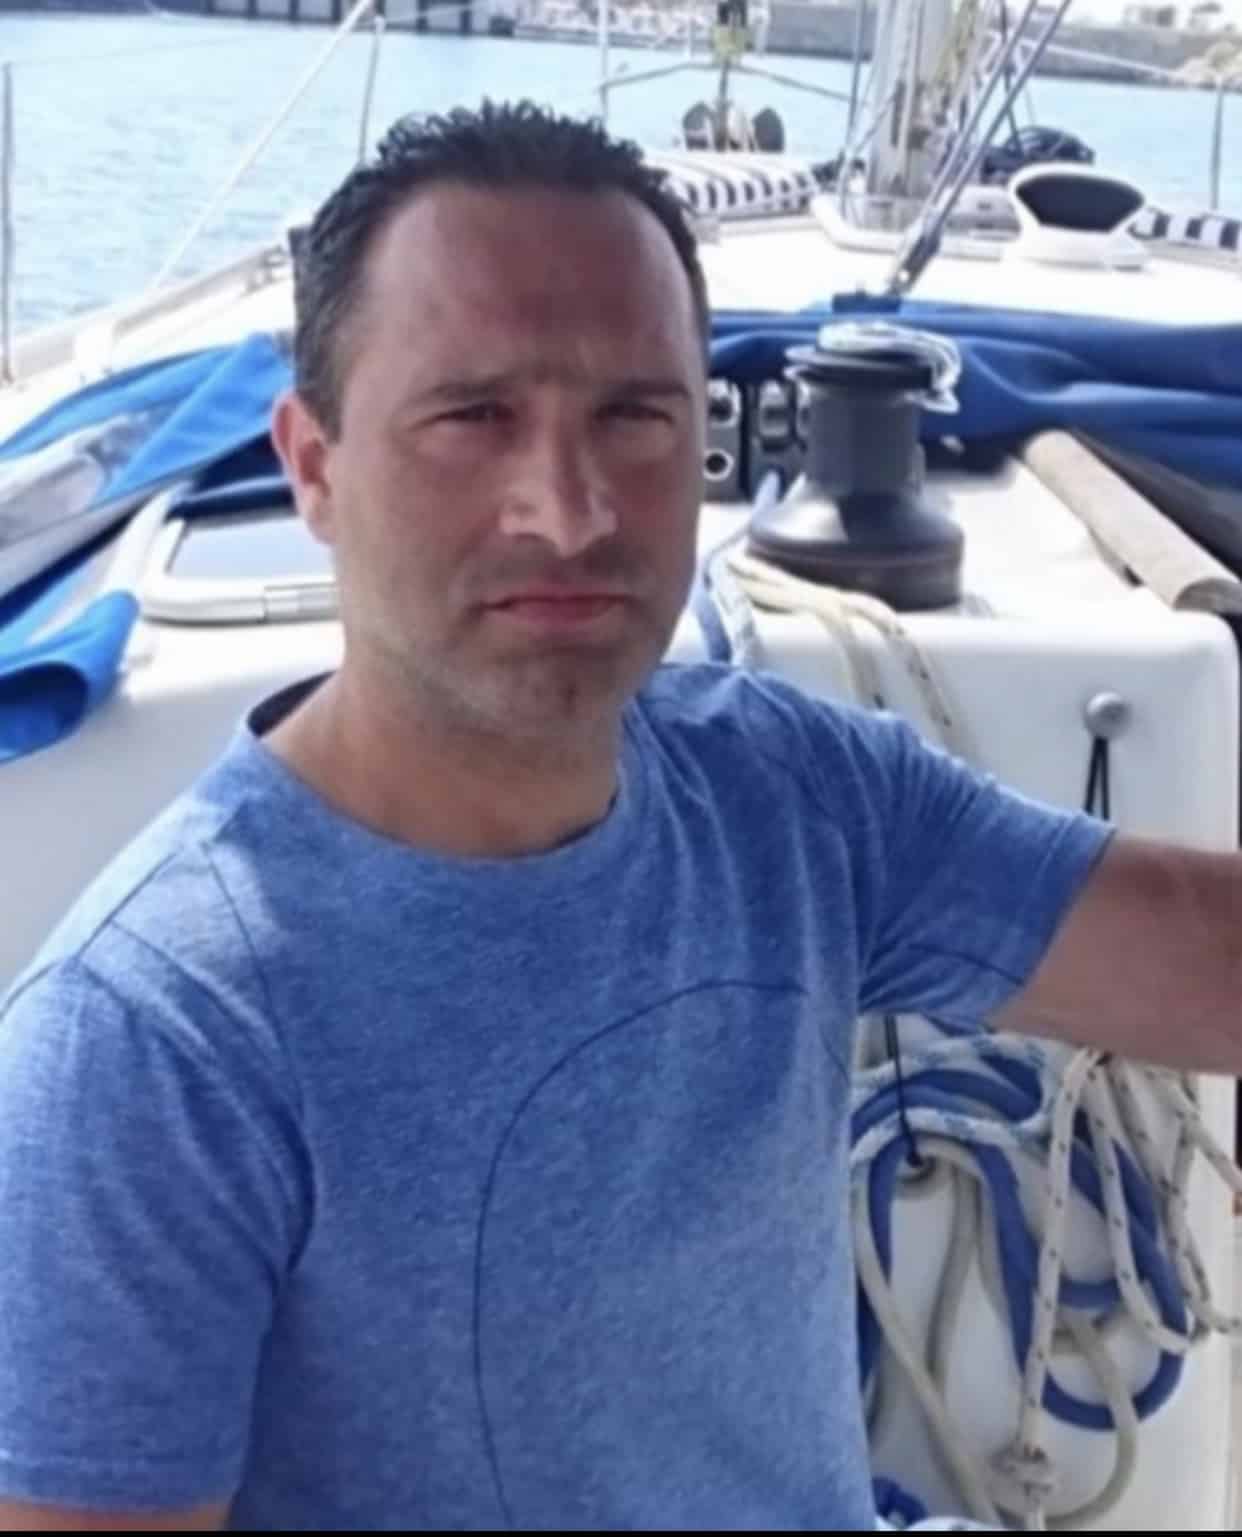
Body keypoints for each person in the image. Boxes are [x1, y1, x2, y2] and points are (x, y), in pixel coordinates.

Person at [0, 100, 1236, 1534]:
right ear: (313, 466)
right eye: (474, 417)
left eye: (634, 419)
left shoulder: (792, 800)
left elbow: (1202, 957)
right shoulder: (157, 1046)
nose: (569, 510)